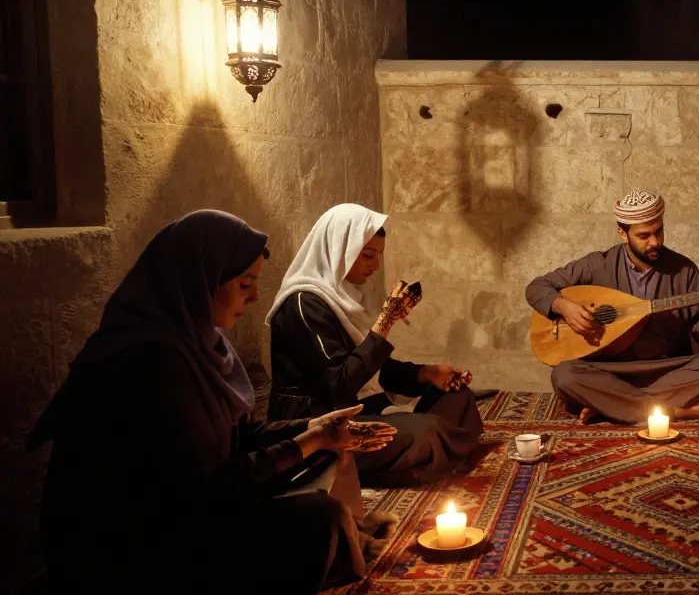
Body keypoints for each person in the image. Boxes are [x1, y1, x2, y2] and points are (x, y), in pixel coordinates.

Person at [28, 210, 391, 593]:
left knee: (317, 490)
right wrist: (310, 442)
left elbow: (235, 437)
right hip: (131, 546)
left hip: (190, 508)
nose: (254, 298)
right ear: (200, 280)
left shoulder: (199, 343)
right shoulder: (148, 363)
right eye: (245, 283)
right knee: (322, 515)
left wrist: (314, 428)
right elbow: (205, 487)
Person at [267, 203, 482, 487]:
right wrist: (385, 322)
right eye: (368, 255)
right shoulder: (303, 305)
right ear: (338, 249)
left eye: (378, 255)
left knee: (458, 397)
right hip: (325, 427)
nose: (376, 265)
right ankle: (384, 464)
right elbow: (340, 384)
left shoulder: (344, 297)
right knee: (429, 431)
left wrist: (426, 373)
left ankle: (427, 456)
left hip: (363, 410)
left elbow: (371, 367)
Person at [525, 190, 699, 425]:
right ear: (622, 234)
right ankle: (676, 411)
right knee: (564, 376)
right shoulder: (597, 265)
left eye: (659, 231)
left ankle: (611, 407)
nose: (655, 241)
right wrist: (562, 306)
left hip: (665, 371)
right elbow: (536, 287)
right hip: (609, 373)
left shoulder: (684, 270)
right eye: (644, 235)